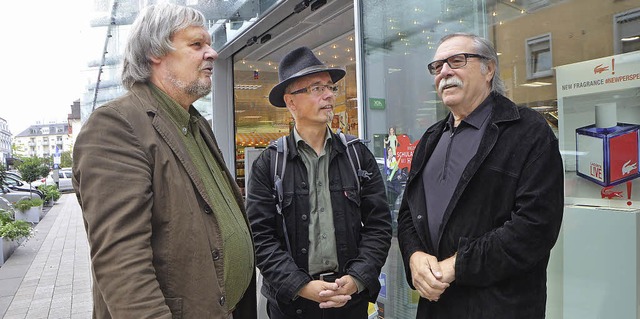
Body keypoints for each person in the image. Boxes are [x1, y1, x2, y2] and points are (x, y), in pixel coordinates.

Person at [72, 3, 256, 318]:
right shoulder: (116, 126)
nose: (212, 54)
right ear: (156, 53)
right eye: (197, 44)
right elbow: (122, 265)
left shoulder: (195, 124)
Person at [397, 33, 564, 318]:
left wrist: (455, 266)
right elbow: (408, 214)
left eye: (457, 61)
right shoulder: (430, 139)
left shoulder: (528, 132)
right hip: (436, 304)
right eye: (437, 67)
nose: (445, 72)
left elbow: (535, 226)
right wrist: (415, 256)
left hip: (500, 306)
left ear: (489, 69)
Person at [246, 47, 392, 319]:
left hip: (349, 302)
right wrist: (300, 285)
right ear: (291, 103)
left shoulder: (356, 155)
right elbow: (260, 238)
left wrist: (357, 278)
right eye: (316, 88)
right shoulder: (269, 164)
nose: (328, 95)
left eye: (330, 87)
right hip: (292, 306)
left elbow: (379, 225)